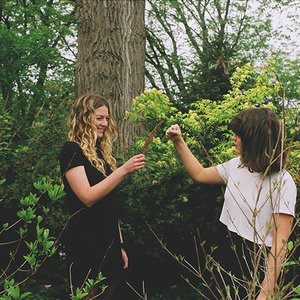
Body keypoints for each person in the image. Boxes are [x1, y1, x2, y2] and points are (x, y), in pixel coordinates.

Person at [166, 107, 297, 299]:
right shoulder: (237, 165)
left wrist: (264, 294)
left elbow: (280, 244)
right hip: (227, 252)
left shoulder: (283, 182)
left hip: (258, 262)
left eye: (238, 135)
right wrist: (178, 141)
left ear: (254, 139)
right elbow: (200, 174)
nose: (233, 138)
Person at [59, 94, 145, 299]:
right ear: (84, 118)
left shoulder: (101, 156)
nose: (105, 123)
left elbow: (110, 206)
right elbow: (87, 197)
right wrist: (123, 170)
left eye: (107, 118)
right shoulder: (71, 150)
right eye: (99, 118)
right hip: (85, 243)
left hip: (109, 243)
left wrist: (120, 245)